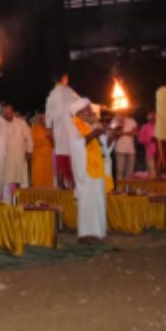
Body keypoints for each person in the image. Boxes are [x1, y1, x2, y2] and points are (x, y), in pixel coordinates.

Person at [69, 98, 108, 243]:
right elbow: (77, 145)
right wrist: (94, 134)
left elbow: (103, 147)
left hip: (97, 168)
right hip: (85, 169)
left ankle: (97, 232)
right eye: (88, 109)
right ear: (79, 113)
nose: (91, 111)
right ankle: (85, 234)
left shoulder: (90, 125)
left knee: (97, 200)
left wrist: (107, 135)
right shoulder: (74, 125)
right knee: (87, 200)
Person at [44, 70, 80, 190]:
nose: (67, 80)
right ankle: (71, 183)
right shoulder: (69, 91)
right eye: (66, 78)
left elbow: (48, 113)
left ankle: (62, 183)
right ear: (64, 78)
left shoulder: (52, 94)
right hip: (69, 129)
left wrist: (49, 127)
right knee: (71, 154)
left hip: (60, 129)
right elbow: (81, 104)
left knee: (61, 153)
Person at [0, 103, 32, 203]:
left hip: (20, 157)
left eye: (9, 113)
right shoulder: (1, 125)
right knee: (6, 182)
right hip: (7, 158)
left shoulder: (21, 123)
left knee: (23, 181)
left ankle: (24, 203)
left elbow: (29, 138)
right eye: (6, 113)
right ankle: (7, 204)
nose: (8, 115)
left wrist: (29, 151)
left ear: (13, 112)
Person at [29, 112, 54, 188]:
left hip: (48, 156)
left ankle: (49, 193)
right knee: (38, 176)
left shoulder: (50, 129)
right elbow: (33, 142)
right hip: (38, 157)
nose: (43, 120)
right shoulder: (34, 128)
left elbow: (54, 144)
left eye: (45, 118)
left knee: (48, 176)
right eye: (42, 118)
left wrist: (51, 137)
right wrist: (46, 137)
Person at [112, 112, 138, 182]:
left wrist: (123, 133)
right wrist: (121, 123)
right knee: (119, 171)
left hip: (131, 150)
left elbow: (135, 133)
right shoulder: (115, 121)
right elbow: (115, 134)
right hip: (119, 149)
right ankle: (119, 187)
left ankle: (127, 187)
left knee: (129, 171)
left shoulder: (132, 120)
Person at [137, 111, 157, 178]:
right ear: (148, 118)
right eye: (151, 116)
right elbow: (140, 140)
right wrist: (149, 140)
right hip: (150, 152)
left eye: (154, 116)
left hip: (161, 152)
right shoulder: (145, 127)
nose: (153, 118)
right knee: (152, 172)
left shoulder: (160, 126)